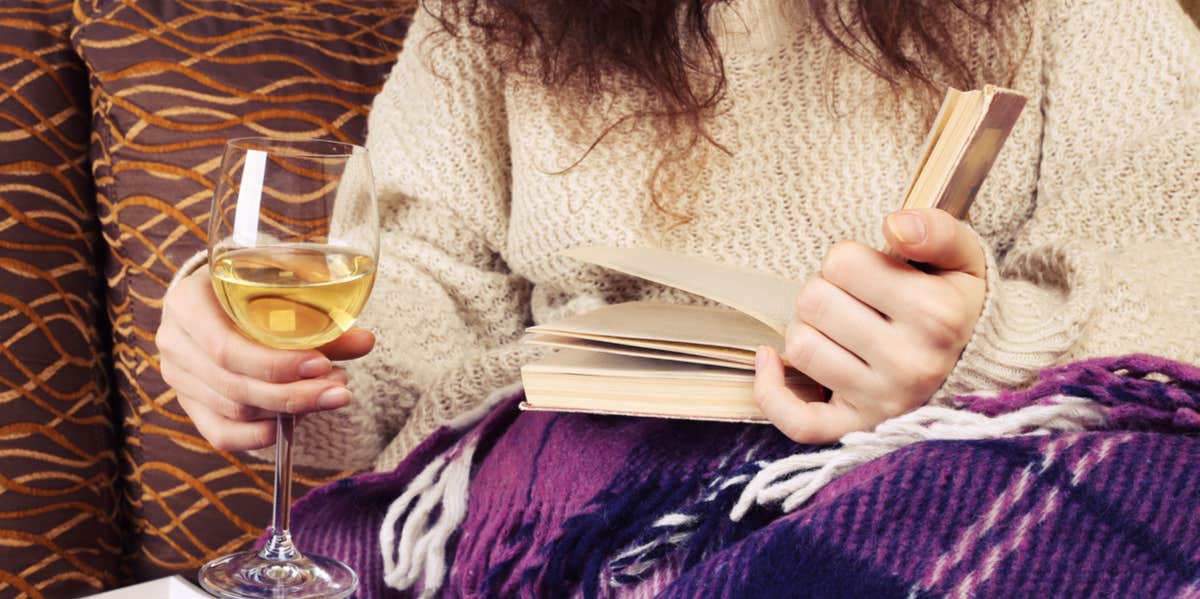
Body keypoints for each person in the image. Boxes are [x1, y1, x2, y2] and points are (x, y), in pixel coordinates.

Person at [157, 0, 1200, 595]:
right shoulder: (479, 18)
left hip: (941, 454)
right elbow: (428, 281)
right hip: (570, 463)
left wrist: (983, 350)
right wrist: (292, 356)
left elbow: (1167, 279)